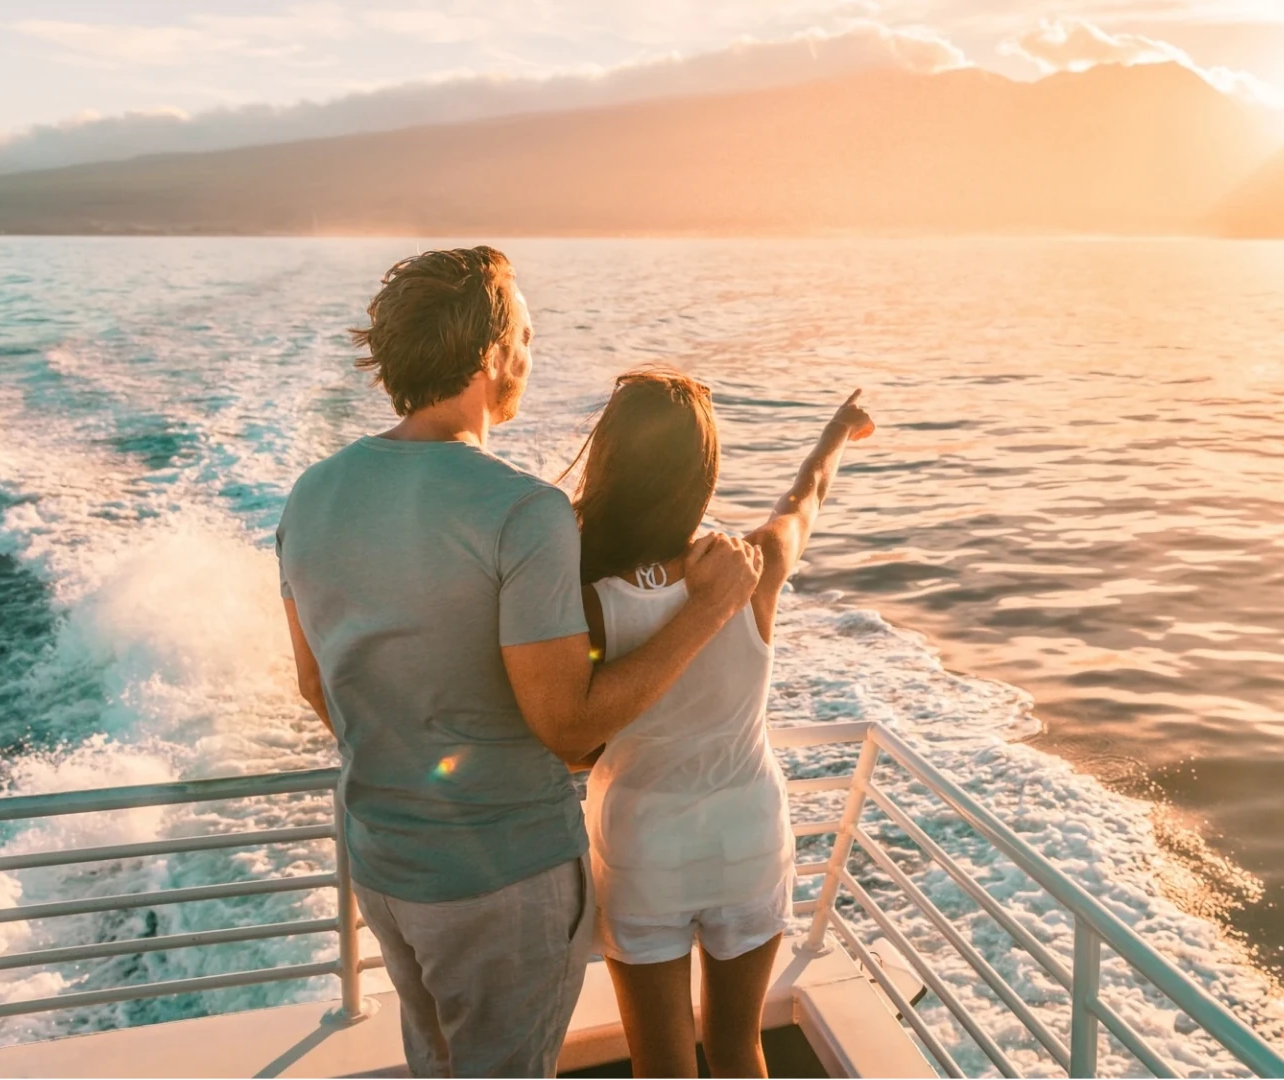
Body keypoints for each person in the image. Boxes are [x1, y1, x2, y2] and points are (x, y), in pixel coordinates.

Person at [275, 248, 763, 1079]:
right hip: (501, 883)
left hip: (383, 865)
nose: (531, 358)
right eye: (528, 337)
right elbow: (569, 727)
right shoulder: (524, 513)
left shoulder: (311, 494)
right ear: (492, 355)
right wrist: (712, 610)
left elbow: (315, 683)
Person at [568, 367, 874, 1078]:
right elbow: (808, 496)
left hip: (644, 846)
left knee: (662, 1066)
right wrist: (835, 435)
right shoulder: (752, 564)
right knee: (740, 1049)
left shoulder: (587, 595)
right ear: (701, 473)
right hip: (746, 836)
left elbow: (577, 736)